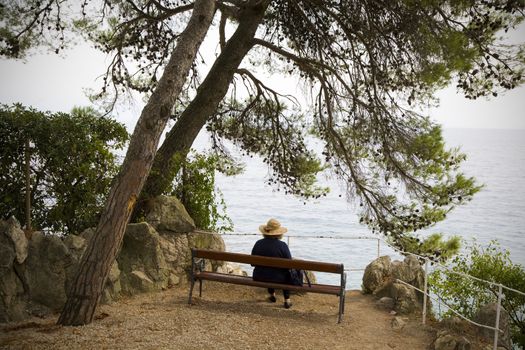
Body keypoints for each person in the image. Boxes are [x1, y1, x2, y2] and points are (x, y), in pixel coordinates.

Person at [251, 218, 293, 309]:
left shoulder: (258, 243)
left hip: (259, 276)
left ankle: (272, 295)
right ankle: (287, 300)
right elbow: (290, 264)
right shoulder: (283, 245)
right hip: (279, 279)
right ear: (279, 233)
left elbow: (252, 263)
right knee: (285, 273)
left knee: (268, 270)